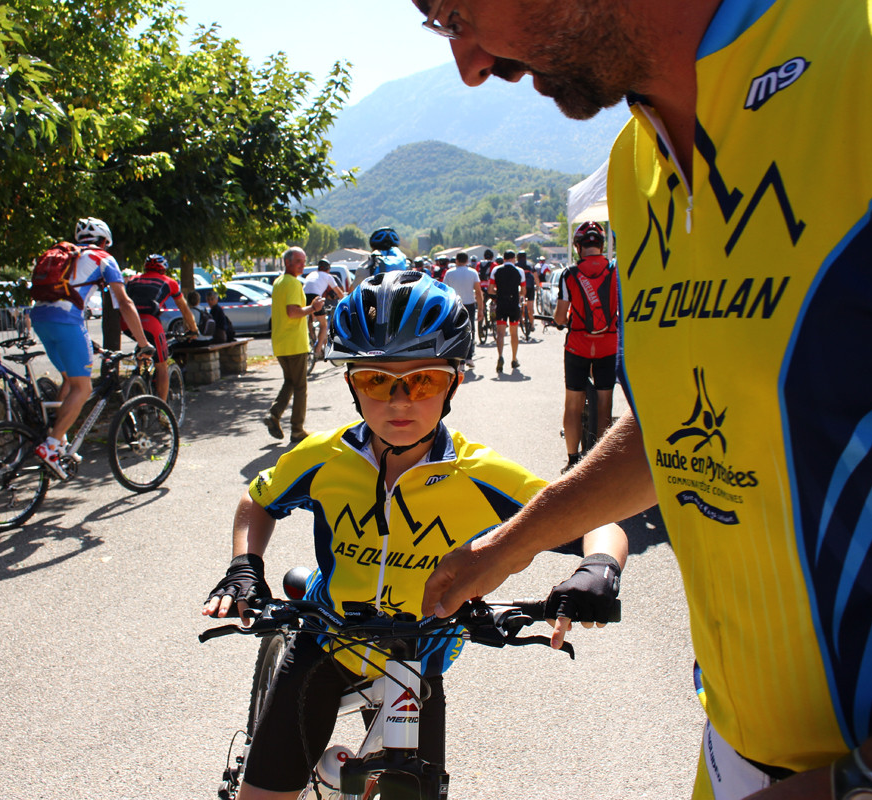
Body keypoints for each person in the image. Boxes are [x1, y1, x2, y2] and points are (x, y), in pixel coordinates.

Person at [410, 1, 872, 797]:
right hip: (733, 761)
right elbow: (683, 427)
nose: (470, 65)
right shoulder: (633, 164)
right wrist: (514, 542)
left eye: (455, 12)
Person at [203, 271, 628, 800]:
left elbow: (595, 520)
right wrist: (245, 565)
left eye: (422, 380)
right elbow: (258, 501)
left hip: (419, 654)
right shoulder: (324, 457)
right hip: (327, 637)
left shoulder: (478, 474)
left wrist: (598, 567)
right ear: (351, 384)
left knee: (409, 791)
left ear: (455, 380)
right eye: (376, 381)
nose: (399, 401)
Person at [29, 217, 150, 478]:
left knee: (69, 380)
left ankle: (59, 442)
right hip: (67, 321)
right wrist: (143, 343)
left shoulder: (67, 254)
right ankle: (51, 446)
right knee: (83, 388)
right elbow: (124, 303)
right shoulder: (103, 257)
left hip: (40, 318)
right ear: (105, 241)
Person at [555, 222, 619, 474]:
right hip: (608, 344)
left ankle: (572, 460)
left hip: (578, 345)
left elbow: (560, 317)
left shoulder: (569, 274)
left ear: (578, 246)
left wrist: (566, 320)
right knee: (605, 402)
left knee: (573, 402)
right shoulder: (615, 271)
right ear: (601, 245)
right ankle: (599, 461)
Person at [265, 247, 323, 443]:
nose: (302, 265)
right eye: (298, 261)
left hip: (281, 343)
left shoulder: (279, 282)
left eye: (303, 260)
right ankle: (297, 429)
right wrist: (313, 308)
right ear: (287, 262)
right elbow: (293, 312)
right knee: (300, 387)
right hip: (294, 343)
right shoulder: (292, 283)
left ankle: (274, 413)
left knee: (290, 381)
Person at [123, 254, 200, 402]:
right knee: (162, 365)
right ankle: (162, 411)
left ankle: (137, 376)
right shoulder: (168, 282)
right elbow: (184, 309)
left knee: (143, 344)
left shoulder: (133, 280)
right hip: (150, 322)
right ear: (164, 269)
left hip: (127, 323)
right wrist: (193, 329)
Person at [441, 251, 484, 371]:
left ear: (457, 261)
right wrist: (481, 308)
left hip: (454, 305)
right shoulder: (473, 273)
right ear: (467, 261)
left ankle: (460, 360)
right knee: (470, 330)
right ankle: (469, 357)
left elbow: (445, 292)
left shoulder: (449, 273)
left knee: (456, 332)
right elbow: (478, 292)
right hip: (469, 304)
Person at [488, 250, 525, 373]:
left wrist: (498, 293)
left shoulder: (496, 270)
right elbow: (523, 291)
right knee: (514, 333)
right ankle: (514, 359)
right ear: (514, 258)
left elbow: (490, 289)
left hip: (501, 303)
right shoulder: (520, 271)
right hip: (514, 303)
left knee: (500, 333)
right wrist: (516, 294)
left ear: (503, 259)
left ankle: (500, 356)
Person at [301, 258, 345, 360]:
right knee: (324, 325)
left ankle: (312, 341)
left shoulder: (311, 274)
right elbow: (339, 292)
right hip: (315, 297)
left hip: (303, 297)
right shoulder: (328, 276)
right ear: (328, 269)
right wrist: (345, 301)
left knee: (310, 321)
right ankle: (317, 350)